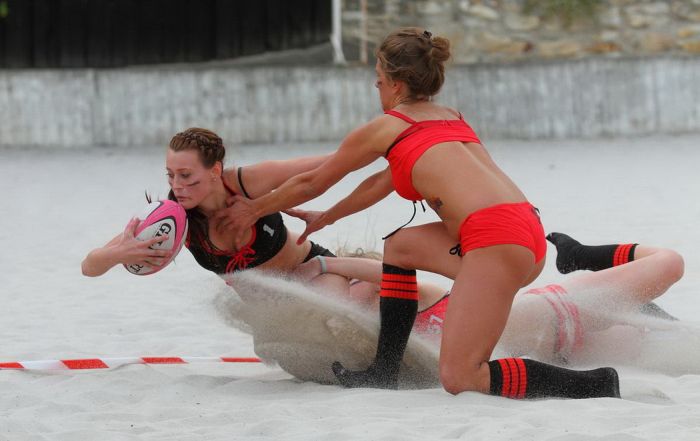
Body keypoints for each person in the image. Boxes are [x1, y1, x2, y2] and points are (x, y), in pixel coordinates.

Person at [216, 27, 620, 399]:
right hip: (521, 229)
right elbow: (382, 182)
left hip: (495, 242)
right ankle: (384, 370)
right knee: (402, 245)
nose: (375, 83)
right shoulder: (450, 118)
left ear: (395, 81)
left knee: (461, 377)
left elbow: (312, 181)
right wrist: (330, 216)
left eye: (378, 75)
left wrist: (254, 207)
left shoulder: (386, 127)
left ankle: (595, 383)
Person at [80, 128, 446, 323]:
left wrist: (395, 149)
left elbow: (331, 164)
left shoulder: (247, 182)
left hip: (315, 273)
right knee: (309, 333)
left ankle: (426, 294)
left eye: (187, 174)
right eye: (171, 174)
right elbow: (89, 267)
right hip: (274, 308)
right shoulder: (170, 218)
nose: (177, 184)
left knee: (337, 319)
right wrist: (118, 254)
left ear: (215, 171)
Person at [293, 233, 684, 368]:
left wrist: (327, 263)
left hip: (561, 310)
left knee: (669, 263)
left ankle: (579, 255)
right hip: (567, 349)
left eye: (353, 281)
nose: (349, 291)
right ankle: (637, 308)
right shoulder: (382, 332)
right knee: (670, 343)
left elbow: (391, 274)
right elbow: (332, 310)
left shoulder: (414, 294)